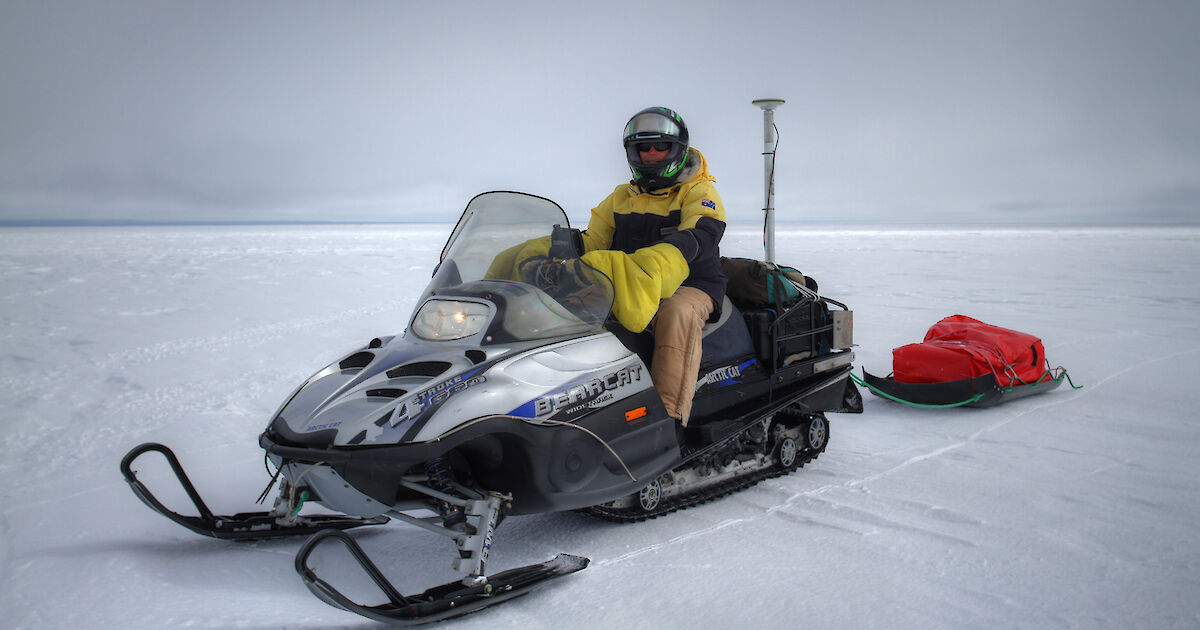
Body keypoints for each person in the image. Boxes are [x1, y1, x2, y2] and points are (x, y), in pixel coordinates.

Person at [577, 107, 727, 426]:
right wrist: (554, 249)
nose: (652, 154)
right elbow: (594, 240)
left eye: (661, 146)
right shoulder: (620, 198)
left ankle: (668, 418)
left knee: (676, 313)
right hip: (631, 283)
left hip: (692, 285)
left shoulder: (698, 190)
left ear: (676, 149)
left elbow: (703, 230)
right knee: (574, 308)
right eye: (644, 148)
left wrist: (666, 256)